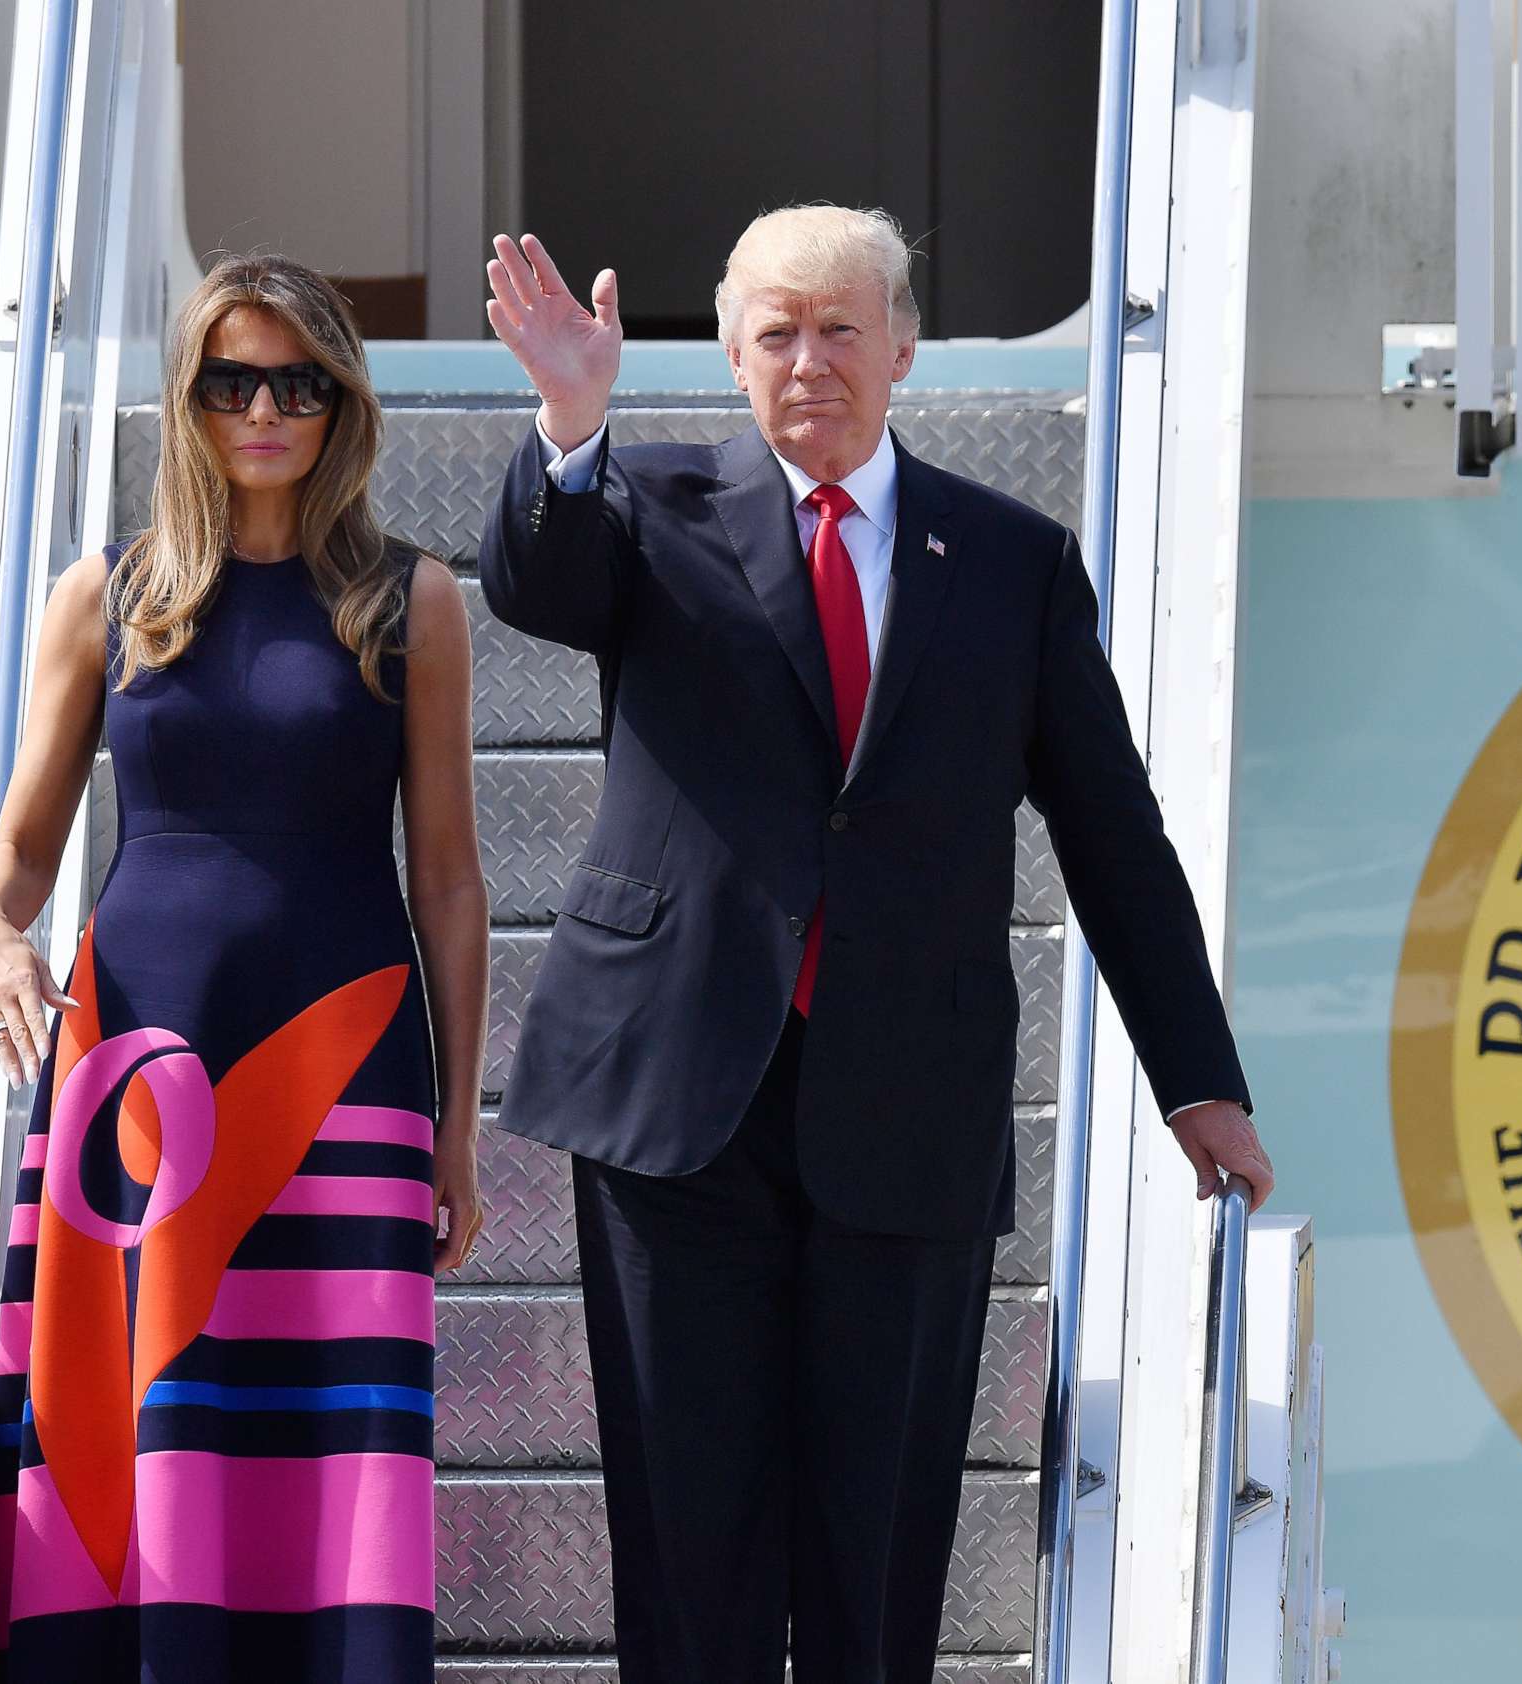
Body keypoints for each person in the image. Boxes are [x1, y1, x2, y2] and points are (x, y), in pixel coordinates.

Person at [478, 207, 1276, 1682]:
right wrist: (570, 420)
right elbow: (539, 586)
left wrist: (1195, 1079)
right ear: (729, 357)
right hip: (677, 1109)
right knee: (692, 1555)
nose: (810, 362)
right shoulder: (641, 507)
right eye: (776, 333)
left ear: (903, 347)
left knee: (878, 1557)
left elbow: (1110, 831)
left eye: (842, 329)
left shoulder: (1014, 561)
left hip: (907, 1104)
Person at [0, 254, 487, 1682]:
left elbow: (447, 881)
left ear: (342, 404)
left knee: (328, 1440)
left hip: (347, 1069)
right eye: (232, 380)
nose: (265, 409)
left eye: (298, 384)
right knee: (135, 1428)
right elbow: (14, 853)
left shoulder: (411, 602)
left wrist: (459, 1129)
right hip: (136, 1073)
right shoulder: (107, 596)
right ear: (188, 398)